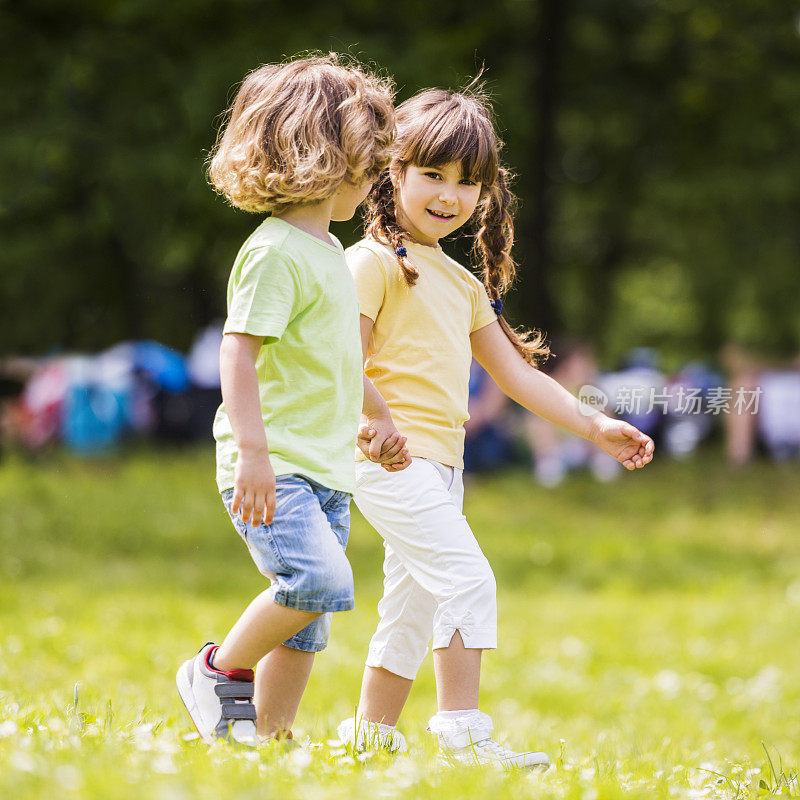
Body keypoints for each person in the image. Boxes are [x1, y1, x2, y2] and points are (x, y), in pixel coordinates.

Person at [336, 85, 655, 768]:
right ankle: (463, 736)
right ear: (392, 173)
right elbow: (341, 360)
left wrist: (595, 426)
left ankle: (368, 742)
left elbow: (519, 377)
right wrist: (373, 421)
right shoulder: (371, 263)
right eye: (433, 174)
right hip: (389, 460)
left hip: (442, 468)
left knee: (414, 606)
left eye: (467, 182)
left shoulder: (461, 284)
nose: (449, 195)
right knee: (468, 580)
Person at [175, 55, 403, 747]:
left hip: (326, 467)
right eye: (366, 167)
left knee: (311, 616)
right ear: (324, 156)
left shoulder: (329, 250)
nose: (370, 185)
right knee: (316, 578)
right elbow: (237, 351)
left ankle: (268, 735)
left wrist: (377, 413)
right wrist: (253, 454)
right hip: (277, 466)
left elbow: (336, 353)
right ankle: (217, 671)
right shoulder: (274, 251)